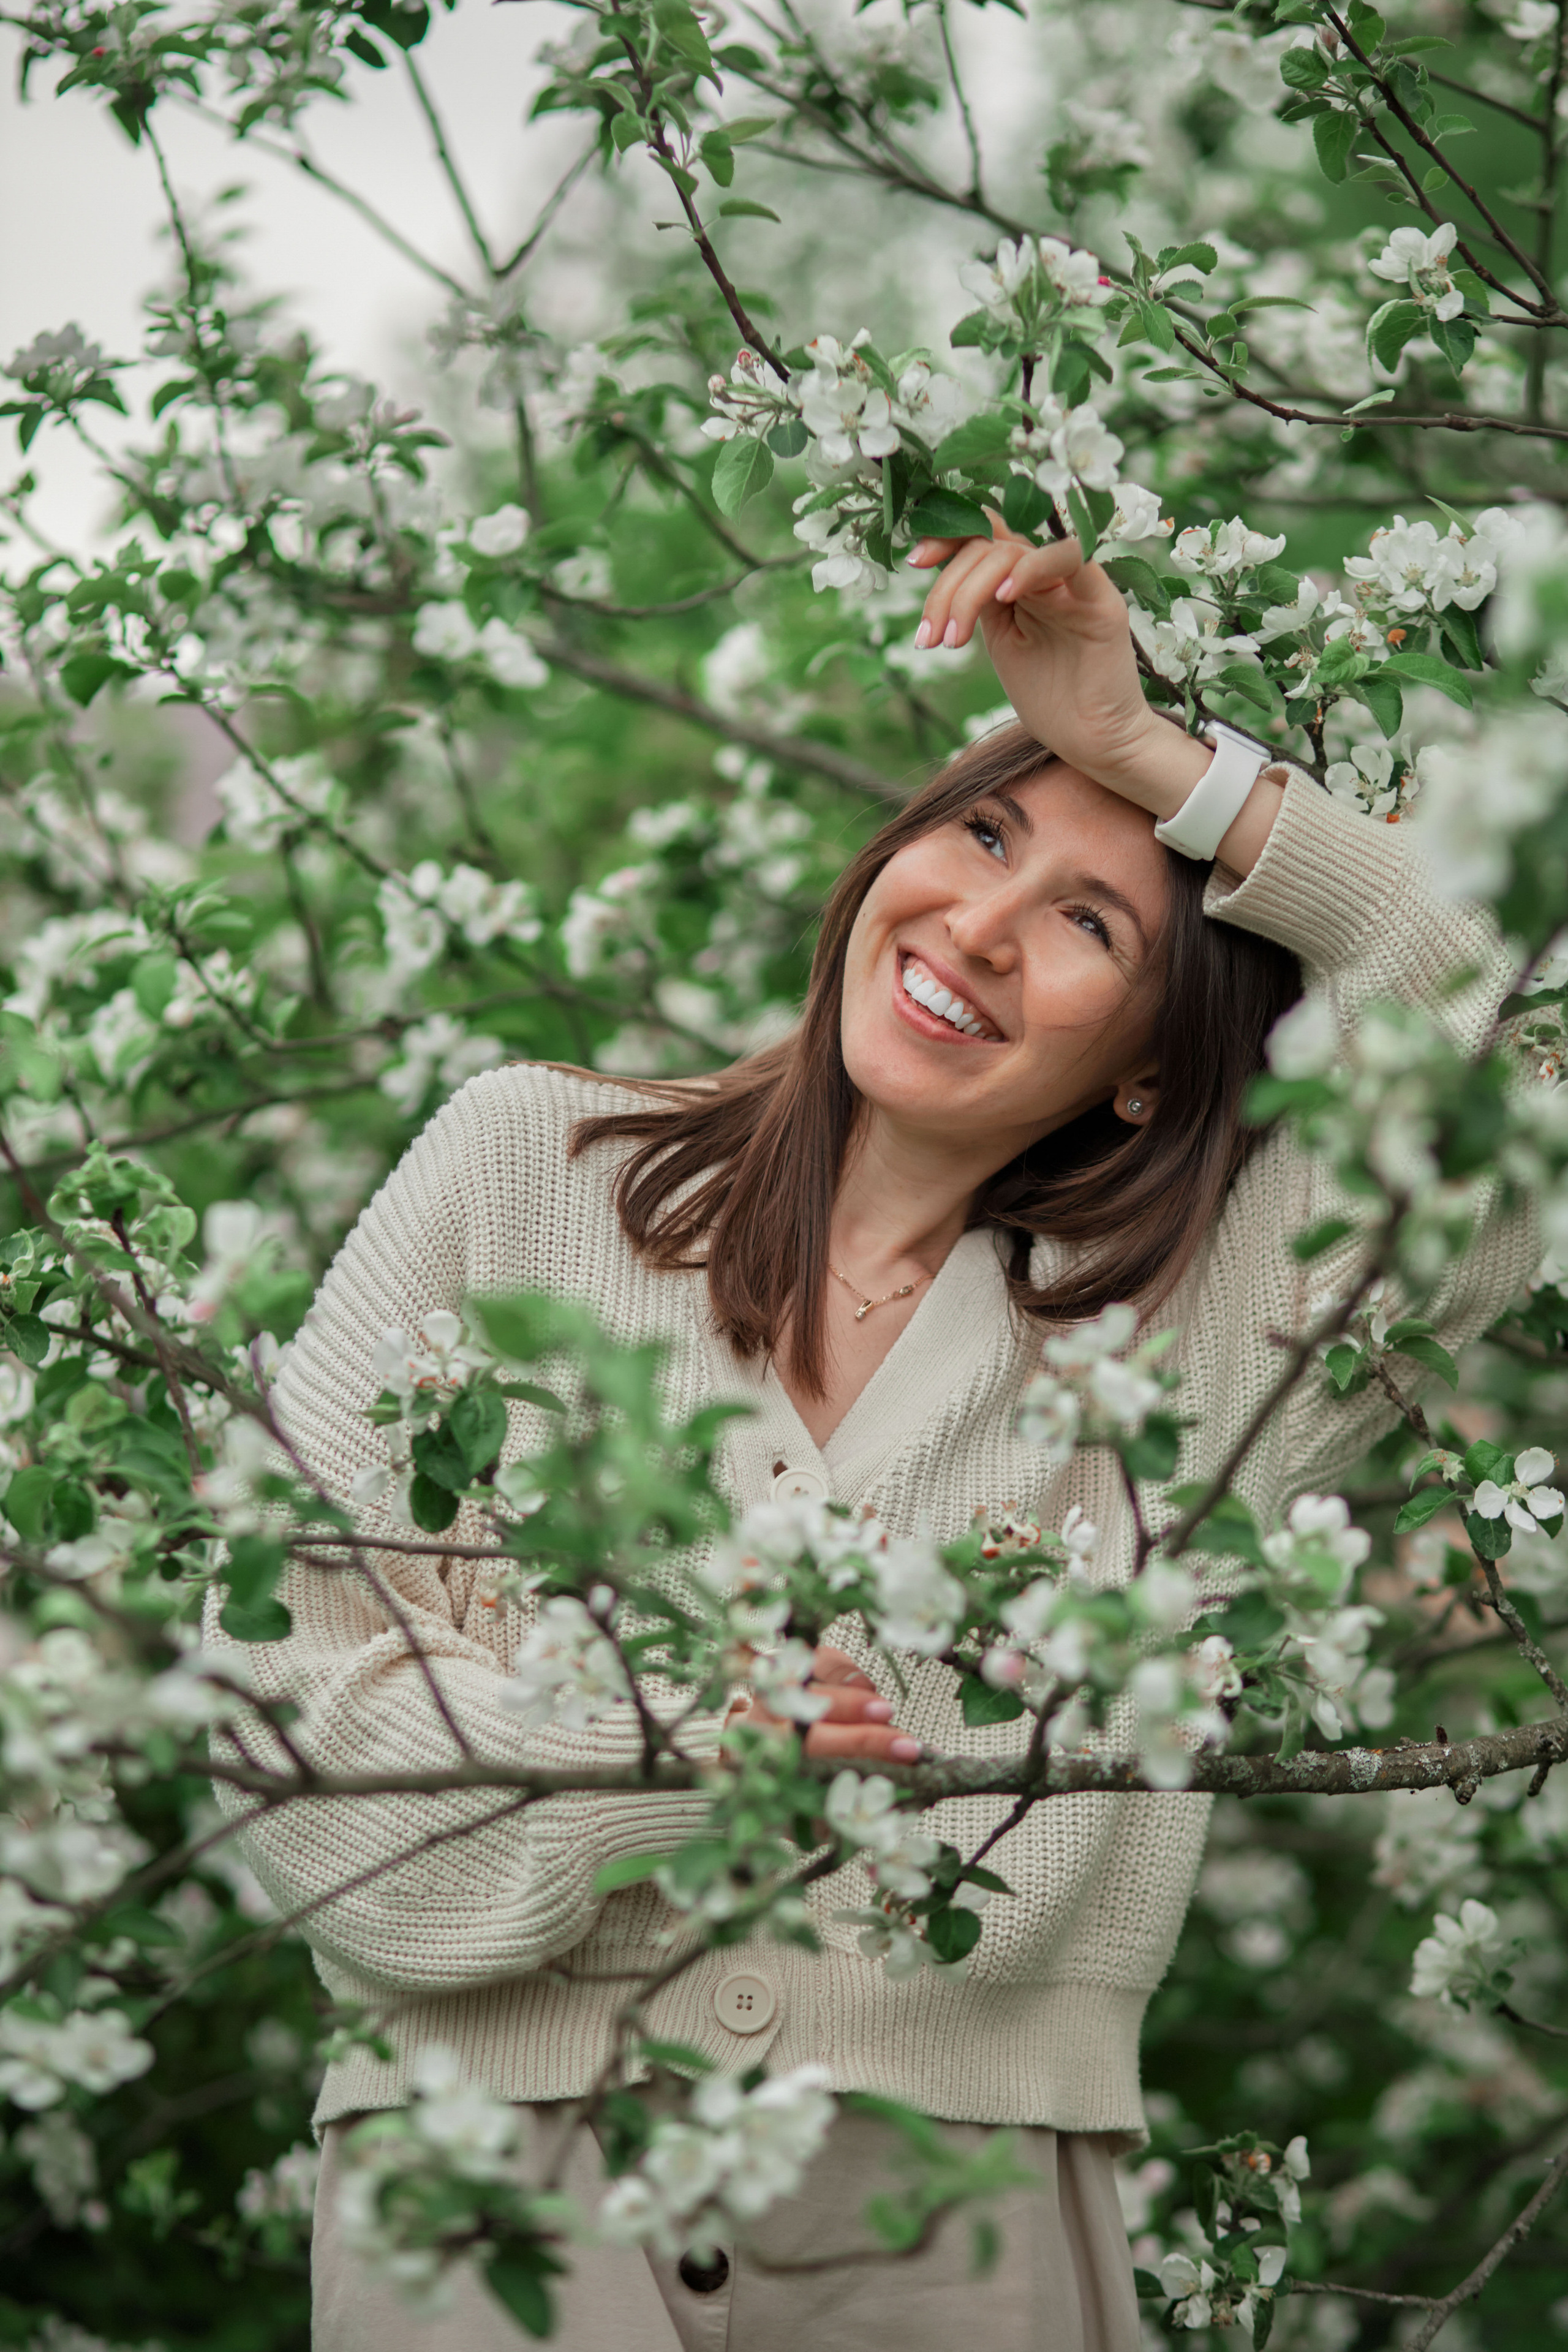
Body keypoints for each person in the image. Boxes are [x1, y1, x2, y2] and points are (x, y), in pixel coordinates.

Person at [209, 524, 1537, 2351]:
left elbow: (1516, 1063)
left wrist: (1161, 754)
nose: (983, 928)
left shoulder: (1209, 1333)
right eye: (983, 837)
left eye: (1088, 920)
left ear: (1150, 1061)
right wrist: (664, 1752)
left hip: (959, 2216)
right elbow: (279, 1713)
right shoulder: (528, 1167)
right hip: (495, 2197)